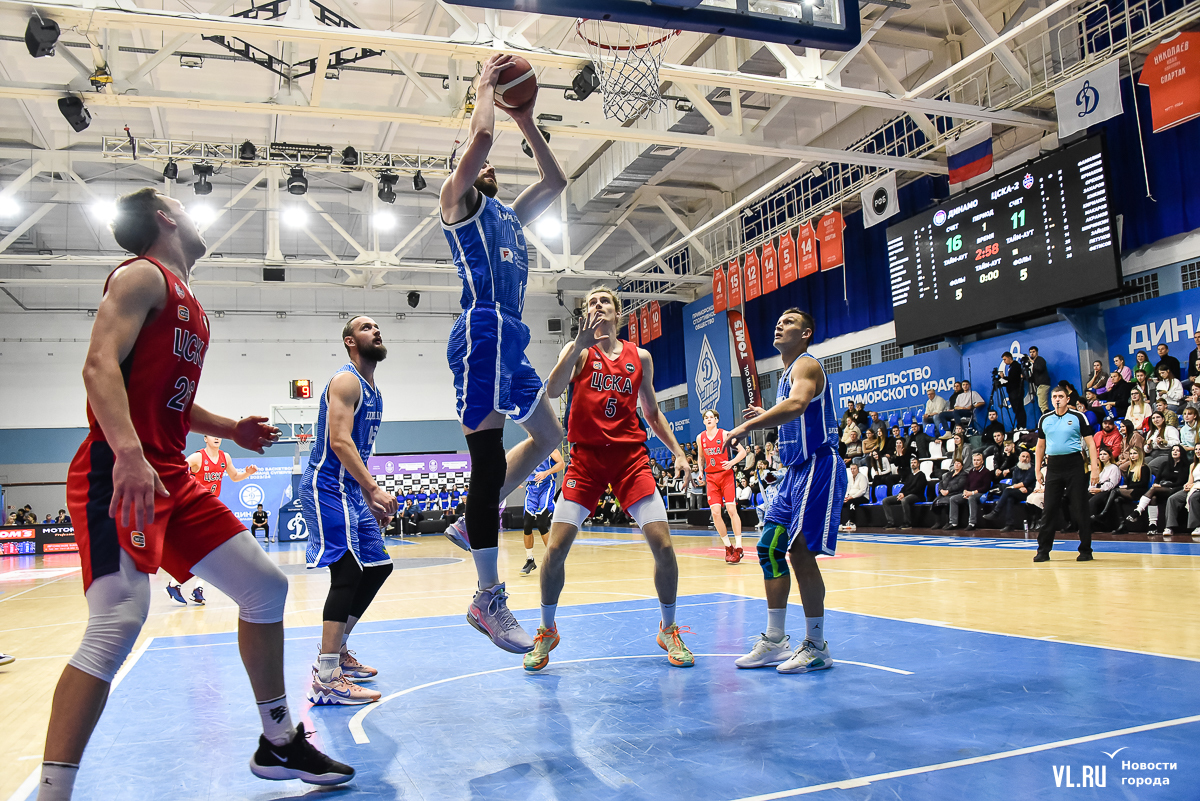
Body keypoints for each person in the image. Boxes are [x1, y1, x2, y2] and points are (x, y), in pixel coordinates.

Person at [42, 187, 352, 798]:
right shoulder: (140, 276)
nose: (189, 209)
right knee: (116, 626)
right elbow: (98, 365)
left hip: (168, 470)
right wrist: (129, 455)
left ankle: (278, 741)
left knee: (265, 586)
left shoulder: (190, 303)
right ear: (164, 216)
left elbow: (169, 402)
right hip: (119, 465)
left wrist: (229, 428)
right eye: (180, 202)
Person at [438, 54, 569, 655]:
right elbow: (482, 134)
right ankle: (487, 596)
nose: (486, 160)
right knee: (487, 458)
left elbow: (557, 182)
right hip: (484, 330)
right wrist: (486, 89)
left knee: (548, 433)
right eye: (475, 160)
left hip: (511, 338)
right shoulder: (457, 204)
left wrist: (528, 119)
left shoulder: (511, 218)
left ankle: (473, 519)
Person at [525, 288, 693, 672]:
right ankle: (547, 630)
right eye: (590, 302)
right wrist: (578, 343)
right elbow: (551, 391)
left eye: (603, 301)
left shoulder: (641, 358)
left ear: (619, 313)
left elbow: (651, 413)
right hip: (585, 460)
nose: (596, 305)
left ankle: (669, 628)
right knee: (556, 550)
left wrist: (680, 452)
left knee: (664, 546)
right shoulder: (581, 352)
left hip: (630, 460)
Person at [723, 309, 848, 675]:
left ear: (806, 333)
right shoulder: (785, 376)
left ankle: (817, 645)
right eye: (777, 320)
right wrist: (766, 412)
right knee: (770, 547)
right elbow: (792, 407)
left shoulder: (807, 366)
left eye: (789, 322)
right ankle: (776, 640)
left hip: (818, 466)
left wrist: (748, 427)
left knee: (800, 553)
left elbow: (797, 405)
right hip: (794, 474)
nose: (779, 324)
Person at [301, 317, 398, 706]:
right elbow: (340, 442)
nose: (376, 330)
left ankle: (338, 649)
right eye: (366, 327)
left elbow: (356, 449)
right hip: (327, 486)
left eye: (377, 326)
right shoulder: (346, 381)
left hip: (350, 492)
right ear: (349, 341)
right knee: (348, 572)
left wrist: (366, 495)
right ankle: (326, 676)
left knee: (378, 566)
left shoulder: (374, 389)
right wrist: (372, 487)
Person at [166, 435, 260, 605]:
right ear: (205, 438)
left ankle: (192, 588)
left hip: (210, 505)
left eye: (219, 436)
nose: (217, 438)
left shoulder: (225, 457)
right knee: (203, 551)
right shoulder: (198, 457)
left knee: (209, 551)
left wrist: (247, 473)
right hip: (193, 507)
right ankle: (180, 585)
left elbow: (235, 476)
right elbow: (176, 471)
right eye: (213, 436)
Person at [1033, 385, 1100, 562]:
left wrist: (1095, 467)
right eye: (1054, 396)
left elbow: (1091, 444)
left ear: (1067, 399)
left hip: (1074, 465)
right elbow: (1040, 446)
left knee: (1080, 508)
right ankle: (1043, 551)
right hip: (1053, 466)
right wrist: (1037, 469)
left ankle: (1086, 550)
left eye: (1061, 396)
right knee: (1049, 509)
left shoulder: (1078, 417)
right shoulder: (1045, 419)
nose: (1057, 399)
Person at [696, 408, 750, 563]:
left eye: (711, 417)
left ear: (717, 420)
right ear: (704, 421)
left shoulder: (725, 434)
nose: (708, 419)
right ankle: (728, 547)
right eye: (706, 417)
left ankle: (739, 547)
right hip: (711, 477)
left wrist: (731, 463)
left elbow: (742, 452)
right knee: (715, 513)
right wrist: (700, 471)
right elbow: (701, 457)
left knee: (732, 509)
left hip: (726, 476)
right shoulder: (700, 438)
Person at [521, 450, 564, 575]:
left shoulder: (549, 447)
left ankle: (553, 560)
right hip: (531, 488)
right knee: (527, 524)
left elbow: (561, 464)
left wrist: (547, 472)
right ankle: (530, 560)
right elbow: (518, 467)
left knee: (541, 523)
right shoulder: (527, 449)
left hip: (546, 486)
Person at [1133, 444, 1187, 535]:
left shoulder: (1185, 466)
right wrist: (1157, 484)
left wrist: (1162, 486)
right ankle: (1152, 525)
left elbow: (1180, 483)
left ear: (1181, 453)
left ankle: (1138, 510)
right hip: (1161, 488)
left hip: (1174, 489)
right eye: (1173, 450)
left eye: (1177, 450)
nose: (1175, 452)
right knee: (1153, 497)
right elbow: (1157, 479)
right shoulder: (1165, 464)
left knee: (1153, 490)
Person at [983, 449, 1036, 532]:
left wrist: (1018, 486)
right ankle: (1009, 524)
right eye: (1023, 456)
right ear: (1019, 458)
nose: (1025, 458)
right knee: (1009, 498)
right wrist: (1018, 487)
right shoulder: (1016, 469)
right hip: (1018, 491)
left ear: (1030, 459)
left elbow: (1025, 483)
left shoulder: (1032, 469)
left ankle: (996, 512)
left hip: (1028, 492)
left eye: (1027, 457)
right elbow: (1014, 482)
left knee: (1008, 491)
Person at [881, 457, 927, 530]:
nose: (913, 464)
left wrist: (904, 495)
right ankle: (890, 522)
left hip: (917, 495)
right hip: (906, 494)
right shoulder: (910, 476)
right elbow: (904, 487)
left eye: (915, 463)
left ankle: (907, 523)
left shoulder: (921, 475)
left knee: (904, 500)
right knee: (885, 500)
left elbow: (918, 489)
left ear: (918, 464)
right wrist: (901, 493)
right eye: (912, 463)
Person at [949, 452, 991, 531]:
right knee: (953, 499)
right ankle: (953, 523)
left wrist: (971, 493)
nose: (976, 462)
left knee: (972, 498)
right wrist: (965, 491)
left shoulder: (986, 472)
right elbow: (967, 484)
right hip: (969, 493)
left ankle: (972, 523)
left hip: (980, 493)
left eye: (978, 460)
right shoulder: (971, 471)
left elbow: (986, 487)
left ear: (982, 462)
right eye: (974, 460)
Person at [1163, 455, 1200, 536]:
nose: (1198, 451)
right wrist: (1187, 485)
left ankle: (1197, 526)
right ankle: (1169, 527)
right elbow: (1190, 480)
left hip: (1198, 487)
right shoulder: (1193, 465)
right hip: (1194, 486)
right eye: (1196, 449)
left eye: (1199, 449)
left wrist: (1193, 485)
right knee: (1173, 499)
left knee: (1193, 498)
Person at [1086, 448, 1123, 529]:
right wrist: (1091, 489)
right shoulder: (1099, 468)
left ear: (1109, 456)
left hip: (1107, 491)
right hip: (1096, 489)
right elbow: (1092, 481)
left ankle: (1091, 525)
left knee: (1092, 502)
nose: (1102, 456)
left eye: (1105, 454)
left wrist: (1100, 489)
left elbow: (1112, 483)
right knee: (1083, 498)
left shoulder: (1114, 467)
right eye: (1101, 454)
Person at [929, 459, 966, 529]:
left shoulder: (963, 475)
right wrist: (941, 490)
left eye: (958, 463)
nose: (956, 465)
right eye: (955, 463)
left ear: (962, 465)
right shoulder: (949, 474)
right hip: (944, 493)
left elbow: (959, 485)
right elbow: (941, 483)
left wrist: (948, 491)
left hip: (955, 493)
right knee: (936, 503)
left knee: (947, 502)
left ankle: (948, 522)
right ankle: (938, 522)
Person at [999, 351, 1027, 429]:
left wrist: (1004, 377)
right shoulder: (1011, 367)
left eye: (1005, 359)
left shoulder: (1016, 366)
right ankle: (1019, 425)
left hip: (1016, 391)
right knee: (1016, 409)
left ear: (1009, 357)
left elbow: (1013, 379)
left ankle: (1022, 425)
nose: (1004, 362)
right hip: (1012, 391)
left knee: (1019, 408)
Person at [839, 463, 869, 533]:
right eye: (851, 469)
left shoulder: (862, 477)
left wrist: (852, 497)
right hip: (851, 497)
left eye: (854, 469)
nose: (852, 470)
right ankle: (841, 522)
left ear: (858, 469)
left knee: (851, 503)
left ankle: (852, 522)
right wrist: (846, 497)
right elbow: (848, 489)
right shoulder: (850, 478)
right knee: (841, 503)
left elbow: (862, 490)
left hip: (863, 497)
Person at [1026, 346, 1051, 413]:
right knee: (1041, 405)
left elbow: (1040, 368)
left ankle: (1047, 420)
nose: (1032, 354)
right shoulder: (1034, 363)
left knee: (1043, 405)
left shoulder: (1040, 360)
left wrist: (1033, 362)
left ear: (1037, 352)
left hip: (1043, 384)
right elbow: (1033, 378)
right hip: (1039, 385)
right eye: (1030, 352)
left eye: (1033, 352)